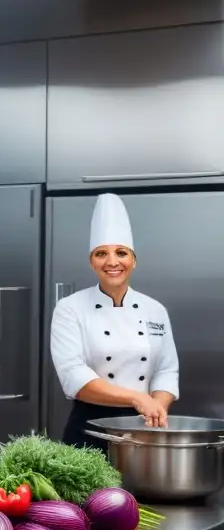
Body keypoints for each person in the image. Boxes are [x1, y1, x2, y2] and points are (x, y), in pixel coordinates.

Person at [50, 193, 179, 451]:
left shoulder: (155, 310)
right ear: (91, 261)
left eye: (121, 253)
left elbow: (167, 371)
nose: (112, 262)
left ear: (133, 259)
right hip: (90, 428)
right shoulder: (69, 308)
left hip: (144, 429)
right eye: (101, 253)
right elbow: (74, 376)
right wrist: (138, 398)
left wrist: (157, 408)